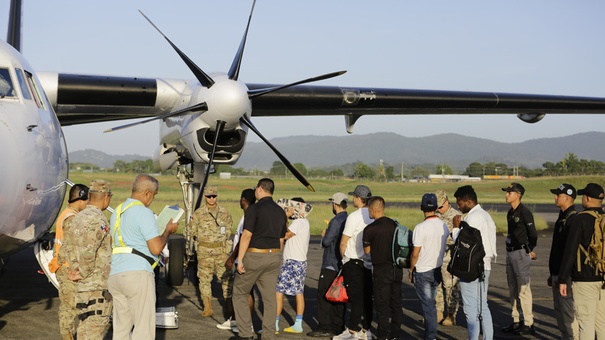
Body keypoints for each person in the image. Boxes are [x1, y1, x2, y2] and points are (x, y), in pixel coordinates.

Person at [107, 174, 178, 340]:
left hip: (116, 274)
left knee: (121, 330)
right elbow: (156, 248)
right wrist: (167, 231)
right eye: (154, 195)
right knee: (143, 329)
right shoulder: (143, 212)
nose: (152, 199)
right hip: (137, 274)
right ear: (147, 193)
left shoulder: (117, 212)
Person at [233, 178, 288, 340]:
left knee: (239, 292)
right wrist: (278, 257)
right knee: (270, 298)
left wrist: (240, 259)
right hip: (274, 255)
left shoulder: (254, 209)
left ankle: (245, 334)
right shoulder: (280, 211)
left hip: (255, 255)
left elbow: (247, 235)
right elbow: (281, 238)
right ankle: (269, 335)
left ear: (260, 189)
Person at [67, 180, 113, 339]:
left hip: (82, 286)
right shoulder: (97, 219)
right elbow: (89, 250)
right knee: (93, 330)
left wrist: (75, 270)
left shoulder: (77, 217)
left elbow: (69, 246)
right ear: (106, 197)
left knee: (83, 330)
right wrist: (83, 272)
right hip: (95, 286)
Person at [559, 183, 605, 340]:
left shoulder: (580, 219)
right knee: (602, 323)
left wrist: (563, 278)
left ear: (587, 198)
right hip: (603, 277)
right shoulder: (603, 218)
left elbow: (570, 251)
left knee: (585, 323)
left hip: (584, 278)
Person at [452, 185, 497, 340]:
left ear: (469, 201)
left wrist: (456, 229)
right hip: (485, 265)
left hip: (472, 267)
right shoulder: (485, 215)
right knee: (482, 306)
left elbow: (465, 244)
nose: (458, 206)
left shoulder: (473, 217)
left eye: (460, 202)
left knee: (471, 309)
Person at [333, 185, 374, 340]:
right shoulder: (372, 215)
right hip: (368, 262)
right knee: (366, 298)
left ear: (358, 198)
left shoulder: (354, 216)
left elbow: (343, 242)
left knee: (355, 298)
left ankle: (352, 331)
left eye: (354, 197)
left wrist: (344, 259)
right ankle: (366, 329)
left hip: (353, 260)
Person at [187, 185, 233, 318]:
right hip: (204, 251)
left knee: (226, 278)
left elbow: (229, 228)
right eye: (209, 196)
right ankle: (207, 307)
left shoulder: (225, 212)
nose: (211, 199)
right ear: (205, 197)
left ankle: (229, 305)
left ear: (217, 196)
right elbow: (191, 231)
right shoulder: (198, 214)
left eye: (214, 196)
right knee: (204, 279)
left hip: (220, 250)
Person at [307, 192, 348, 338]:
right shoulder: (348, 219)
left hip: (330, 263)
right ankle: (338, 325)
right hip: (342, 264)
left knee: (323, 295)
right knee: (339, 296)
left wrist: (325, 234)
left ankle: (324, 326)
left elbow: (326, 242)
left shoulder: (336, 221)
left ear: (335, 204)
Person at [362, 196, 404, 340]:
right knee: (396, 305)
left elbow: (367, 251)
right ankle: (395, 335)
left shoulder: (369, 229)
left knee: (382, 306)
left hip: (380, 271)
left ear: (373, 209)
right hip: (396, 269)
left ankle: (382, 336)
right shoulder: (395, 225)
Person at [409, 193, 449, 340]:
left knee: (428, 307)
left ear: (421, 207)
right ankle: (430, 333)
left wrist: (411, 269)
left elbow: (415, 254)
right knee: (431, 304)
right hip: (436, 269)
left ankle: (430, 336)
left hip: (423, 271)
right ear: (436, 208)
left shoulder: (420, 227)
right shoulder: (443, 225)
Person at [51, 184, 89, 340]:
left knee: (69, 306)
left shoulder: (67, 213)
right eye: (87, 200)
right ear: (80, 199)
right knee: (70, 308)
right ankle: (68, 337)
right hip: (68, 269)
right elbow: (70, 247)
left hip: (64, 267)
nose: (88, 204)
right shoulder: (72, 219)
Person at [217, 188, 256, 333]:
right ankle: (236, 320)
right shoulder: (250, 214)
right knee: (245, 292)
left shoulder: (248, 216)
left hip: (243, 259)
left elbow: (243, 240)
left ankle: (245, 324)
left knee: (244, 293)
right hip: (246, 258)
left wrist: (232, 259)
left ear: (243, 200)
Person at [501, 182, 538, 335]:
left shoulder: (525, 212)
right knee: (512, 288)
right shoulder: (510, 212)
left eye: (509, 192)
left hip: (521, 253)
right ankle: (516, 320)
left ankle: (528, 323)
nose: (506, 194)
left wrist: (529, 250)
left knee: (523, 289)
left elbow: (533, 234)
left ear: (518, 195)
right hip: (510, 252)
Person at [547, 183, 579, 340]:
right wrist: (552, 272)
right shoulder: (562, 216)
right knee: (559, 311)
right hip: (557, 273)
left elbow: (570, 252)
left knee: (568, 313)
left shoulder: (572, 219)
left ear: (567, 198)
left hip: (565, 276)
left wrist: (563, 277)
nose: (555, 197)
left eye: (558, 195)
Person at [276, 197, 311, 334]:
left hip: (292, 261)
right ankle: (298, 323)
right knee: (299, 293)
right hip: (300, 261)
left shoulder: (298, 222)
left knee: (279, 291)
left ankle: (276, 322)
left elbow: (284, 235)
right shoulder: (305, 222)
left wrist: (285, 217)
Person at [435, 189, 462, 327]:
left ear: (447, 201)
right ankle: (438, 311)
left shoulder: (457, 216)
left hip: (450, 258)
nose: (438, 209)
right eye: (436, 207)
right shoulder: (434, 216)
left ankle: (451, 314)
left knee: (450, 286)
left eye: (440, 206)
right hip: (436, 257)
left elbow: (460, 238)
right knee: (437, 286)